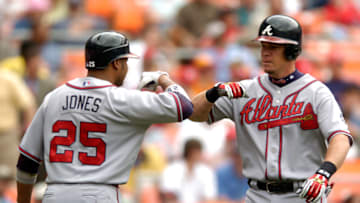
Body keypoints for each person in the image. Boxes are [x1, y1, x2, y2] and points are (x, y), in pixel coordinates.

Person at [189, 14, 352, 203]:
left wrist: (324, 173)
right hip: (257, 195)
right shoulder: (244, 90)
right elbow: (193, 113)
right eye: (263, 46)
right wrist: (214, 92)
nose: (265, 52)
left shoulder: (316, 92)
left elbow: (340, 138)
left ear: (292, 51)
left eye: (273, 47)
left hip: (302, 195)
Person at [16, 31, 193, 203]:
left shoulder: (53, 97)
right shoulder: (122, 98)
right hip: (98, 193)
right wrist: (162, 78)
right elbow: (184, 106)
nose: (126, 67)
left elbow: (27, 161)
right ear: (116, 63)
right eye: (125, 61)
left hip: (55, 193)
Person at [159, 138, 217, 203]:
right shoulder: (171, 170)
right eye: (197, 152)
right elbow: (168, 197)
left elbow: (210, 199)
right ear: (190, 152)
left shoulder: (206, 172)